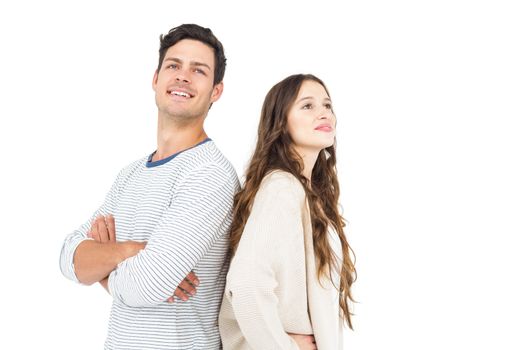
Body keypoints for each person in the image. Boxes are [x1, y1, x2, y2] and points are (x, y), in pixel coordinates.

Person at [59, 24, 239, 349]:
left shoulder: (209, 174)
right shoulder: (130, 175)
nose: (183, 77)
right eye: (173, 65)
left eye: (198, 70)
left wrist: (102, 262)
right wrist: (134, 251)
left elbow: (145, 286)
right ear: (156, 79)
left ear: (216, 91)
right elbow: (68, 258)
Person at [218, 74, 356, 350]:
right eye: (307, 106)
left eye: (327, 105)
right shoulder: (282, 188)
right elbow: (247, 284)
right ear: (281, 123)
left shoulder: (307, 192)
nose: (323, 113)